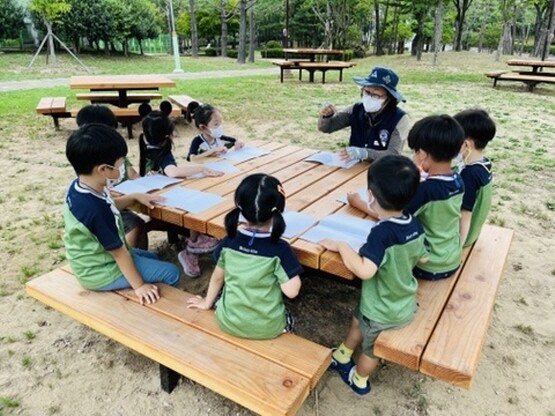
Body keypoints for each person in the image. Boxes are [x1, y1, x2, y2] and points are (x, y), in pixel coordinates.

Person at [319, 155, 427, 395]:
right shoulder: (415, 223)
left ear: (370, 195)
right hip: (400, 299)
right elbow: (423, 256)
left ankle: (359, 379)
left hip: (382, 308)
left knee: (371, 350)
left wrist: (341, 246)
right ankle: (342, 353)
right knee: (358, 319)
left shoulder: (381, 234)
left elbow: (365, 271)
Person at [63, 123, 180, 305]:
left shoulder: (80, 187)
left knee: (153, 257)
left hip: (91, 258)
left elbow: (111, 204)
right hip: (100, 270)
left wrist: (133, 196)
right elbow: (119, 254)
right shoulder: (96, 210)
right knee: (171, 272)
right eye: (119, 165)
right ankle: (162, 308)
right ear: (103, 169)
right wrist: (139, 286)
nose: (122, 169)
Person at [186, 174, 303, 339]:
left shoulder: (229, 241)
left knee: (223, 296)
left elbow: (217, 278)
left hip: (228, 321)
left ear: (240, 208)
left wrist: (206, 303)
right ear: (277, 211)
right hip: (266, 328)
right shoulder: (281, 249)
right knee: (288, 316)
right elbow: (292, 292)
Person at [138, 102, 223, 278]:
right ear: (168, 135)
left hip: (151, 191)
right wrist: (200, 169)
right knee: (198, 199)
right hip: (164, 199)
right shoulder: (163, 152)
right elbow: (173, 171)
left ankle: (193, 243)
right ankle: (192, 243)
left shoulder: (144, 141)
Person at [76, 104, 148, 249]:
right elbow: (104, 202)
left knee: (139, 224)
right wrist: (132, 197)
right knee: (134, 225)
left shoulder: (113, 150)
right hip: (109, 207)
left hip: (119, 201)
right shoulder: (89, 163)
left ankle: (139, 256)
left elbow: (131, 173)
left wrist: (147, 182)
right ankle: (130, 260)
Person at [405, 114, 465, 280]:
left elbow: (394, 215)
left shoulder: (426, 190)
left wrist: (358, 203)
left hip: (428, 265)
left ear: (423, 154)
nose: (414, 156)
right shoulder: (458, 179)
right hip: (452, 258)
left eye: (414, 152)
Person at [318, 65, 410, 162]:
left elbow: (393, 154)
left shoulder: (400, 119)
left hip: (382, 170)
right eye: (367, 91)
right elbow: (327, 127)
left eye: (375, 94)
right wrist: (326, 116)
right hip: (354, 166)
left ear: (389, 97)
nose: (369, 97)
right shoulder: (356, 109)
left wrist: (365, 153)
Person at [453, 108, 496, 247]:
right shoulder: (484, 164)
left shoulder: (469, 174)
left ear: (466, 144)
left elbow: (465, 214)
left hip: (464, 236)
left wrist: (457, 247)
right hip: (475, 231)